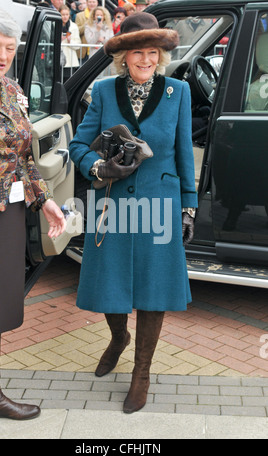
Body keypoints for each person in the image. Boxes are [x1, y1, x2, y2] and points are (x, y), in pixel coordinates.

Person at [69, 12, 198, 414]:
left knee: (154, 287)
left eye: (152, 52)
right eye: (136, 52)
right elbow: (77, 145)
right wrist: (98, 166)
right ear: (122, 56)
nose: (145, 59)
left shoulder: (178, 91)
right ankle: (118, 337)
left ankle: (142, 371)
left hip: (161, 200)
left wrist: (188, 205)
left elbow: (182, 152)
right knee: (110, 282)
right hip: (112, 200)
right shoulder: (104, 92)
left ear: (160, 55)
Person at [0, 2, 66, 420]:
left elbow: (24, 156)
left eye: (10, 47)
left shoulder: (9, 89)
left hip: (5, 212)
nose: (3, 55)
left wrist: (44, 201)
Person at [60, 4, 81, 78]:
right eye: (63, 14)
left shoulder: (74, 26)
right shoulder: (55, 25)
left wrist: (70, 41)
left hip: (70, 60)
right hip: (59, 58)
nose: (65, 16)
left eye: (67, 14)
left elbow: (78, 45)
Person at [75, 0, 98, 64]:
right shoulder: (79, 15)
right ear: (87, 3)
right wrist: (86, 24)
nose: (92, 4)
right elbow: (77, 31)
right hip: (84, 51)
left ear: (97, 3)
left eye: (94, 2)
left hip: (96, 50)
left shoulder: (101, 15)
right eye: (90, 2)